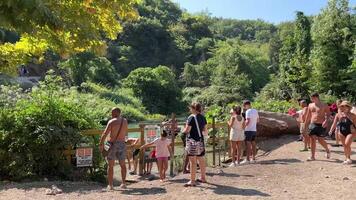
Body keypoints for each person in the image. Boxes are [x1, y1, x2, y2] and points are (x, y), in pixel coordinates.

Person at [99, 107, 128, 190]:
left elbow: (105, 133)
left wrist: (101, 144)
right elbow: (126, 133)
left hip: (112, 145)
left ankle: (111, 185)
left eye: (112, 112)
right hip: (122, 144)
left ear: (116, 113)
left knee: (110, 165)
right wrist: (126, 142)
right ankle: (124, 183)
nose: (111, 114)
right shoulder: (125, 121)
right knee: (123, 164)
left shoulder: (111, 122)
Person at [182, 102, 207, 187]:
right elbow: (205, 131)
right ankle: (203, 178)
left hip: (192, 142)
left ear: (193, 109)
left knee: (192, 162)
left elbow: (187, 130)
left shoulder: (191, 118)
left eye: (190, 108)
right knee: (201, 160)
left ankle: (192, 181)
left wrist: (183, 129)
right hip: (201, 141)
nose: (189, 109)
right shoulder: (203, 117)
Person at [304, 93, 331, 161]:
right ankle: (312, 156)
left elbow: (328, 114)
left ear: (316, 97)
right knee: (312, 139)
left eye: (312, 98)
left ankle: (327, 150)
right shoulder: (310, 105)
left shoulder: (324, 105)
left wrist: (326, 121)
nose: (311, 99)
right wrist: (305, 125)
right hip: (313, 124)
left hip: (321, 124)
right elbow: (308, 116)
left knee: (320, 140)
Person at [241, 100, 259, 164]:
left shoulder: (248, 111)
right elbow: (258, 120)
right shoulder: (255, 111)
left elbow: (247, 121)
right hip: (254, 129)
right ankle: (253, 158)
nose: (244, 107)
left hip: (248, 130)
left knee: (248, 144)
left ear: (246, 105)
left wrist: (243, 127)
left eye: (244, 106)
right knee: (253, 143)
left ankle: (247, 159)